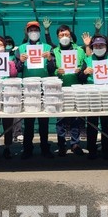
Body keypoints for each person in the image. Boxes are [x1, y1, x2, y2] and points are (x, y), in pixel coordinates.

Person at [78, 35, 108, 160]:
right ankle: (91, 150)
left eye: (101, 45)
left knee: (107, 123)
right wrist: (85, 72)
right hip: (92, 96)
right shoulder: (88, 60)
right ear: (92, 47)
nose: (98, 47)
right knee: (92, 123)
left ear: (106, 47)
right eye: (96, 46)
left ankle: (106, 149)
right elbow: (80, 78)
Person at [14, 20, 54, 159]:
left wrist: (50, 59)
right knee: (29, 121)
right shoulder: (21, 48)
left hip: (44, 88)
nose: (33, 32)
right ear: (27, 32)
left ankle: (45, 147)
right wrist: (21, 61)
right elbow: (17, 70)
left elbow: (52, 70)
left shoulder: (47, 47)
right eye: (31, 30)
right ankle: (27, 148)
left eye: (35, 30)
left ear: (40, 32)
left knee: (44, 120)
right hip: (29, 89)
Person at [47, 25, 86, 156]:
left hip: (76, 88)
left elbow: (84, 66)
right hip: (60, 89)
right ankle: (61, 144)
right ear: (57, 37)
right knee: (61, 118)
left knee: (76, 117)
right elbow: (50, 70)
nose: (64, 37)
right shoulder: (54, 51)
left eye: (67, 35)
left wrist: (80, 70)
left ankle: (75, 144)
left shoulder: (79, 50)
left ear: (71, 36)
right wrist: (57, 71)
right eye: (61, 35)